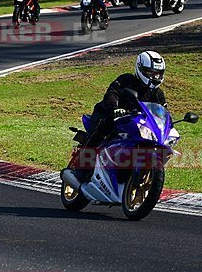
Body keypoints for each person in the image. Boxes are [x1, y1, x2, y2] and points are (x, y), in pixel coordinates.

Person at [69, 51, 167, 182]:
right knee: (102, 127)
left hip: (135, 123)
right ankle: (83, 166)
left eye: (158, 74)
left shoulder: (158, 94)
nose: (154, 77)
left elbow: (162, 111)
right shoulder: (126, 80)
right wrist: (114, 108)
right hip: (108, 114)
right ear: (140, 69)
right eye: (150, 73)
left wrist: (166, 123)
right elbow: (112, 93)